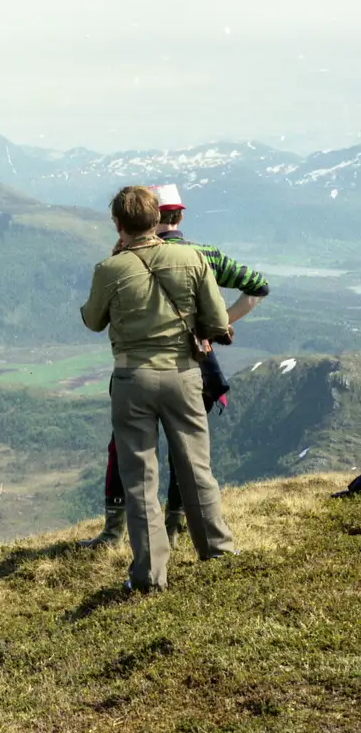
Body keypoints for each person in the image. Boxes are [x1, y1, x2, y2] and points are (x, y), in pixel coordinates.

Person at [82, 183, 270, 549]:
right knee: (193, 461)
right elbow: (253, 289)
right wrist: (214, 327)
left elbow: (93, 320)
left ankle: (134, 553)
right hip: (191, 368)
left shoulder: (115, 263)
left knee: (134, 466)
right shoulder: (203, 256)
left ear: (122, 222)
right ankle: (203, 540)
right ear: (176, 215)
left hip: (134, 372)